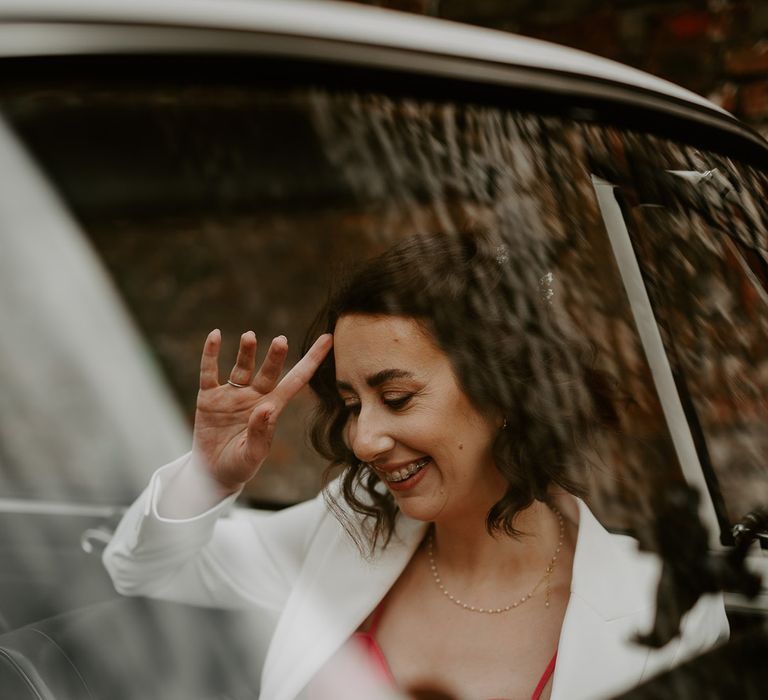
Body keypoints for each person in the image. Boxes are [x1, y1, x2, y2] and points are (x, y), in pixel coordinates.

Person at [103, 230, 728, 700]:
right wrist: (211, 475)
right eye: (351, 404)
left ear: (504, 391)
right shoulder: (340, 532)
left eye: (396, 398)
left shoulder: (669, 611)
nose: (365, 439)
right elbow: (142, 569)